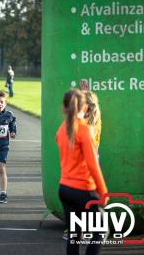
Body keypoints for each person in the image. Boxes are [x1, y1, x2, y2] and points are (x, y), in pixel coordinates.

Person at [56, 89, 108, 255]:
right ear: (85, 107)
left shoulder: (61, 130)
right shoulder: (84, 130)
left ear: (64, 108)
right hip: (84, 190)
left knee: (74, 234)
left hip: (65, 189)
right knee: (102, 231)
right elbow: (93, 165)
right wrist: (103, 192)